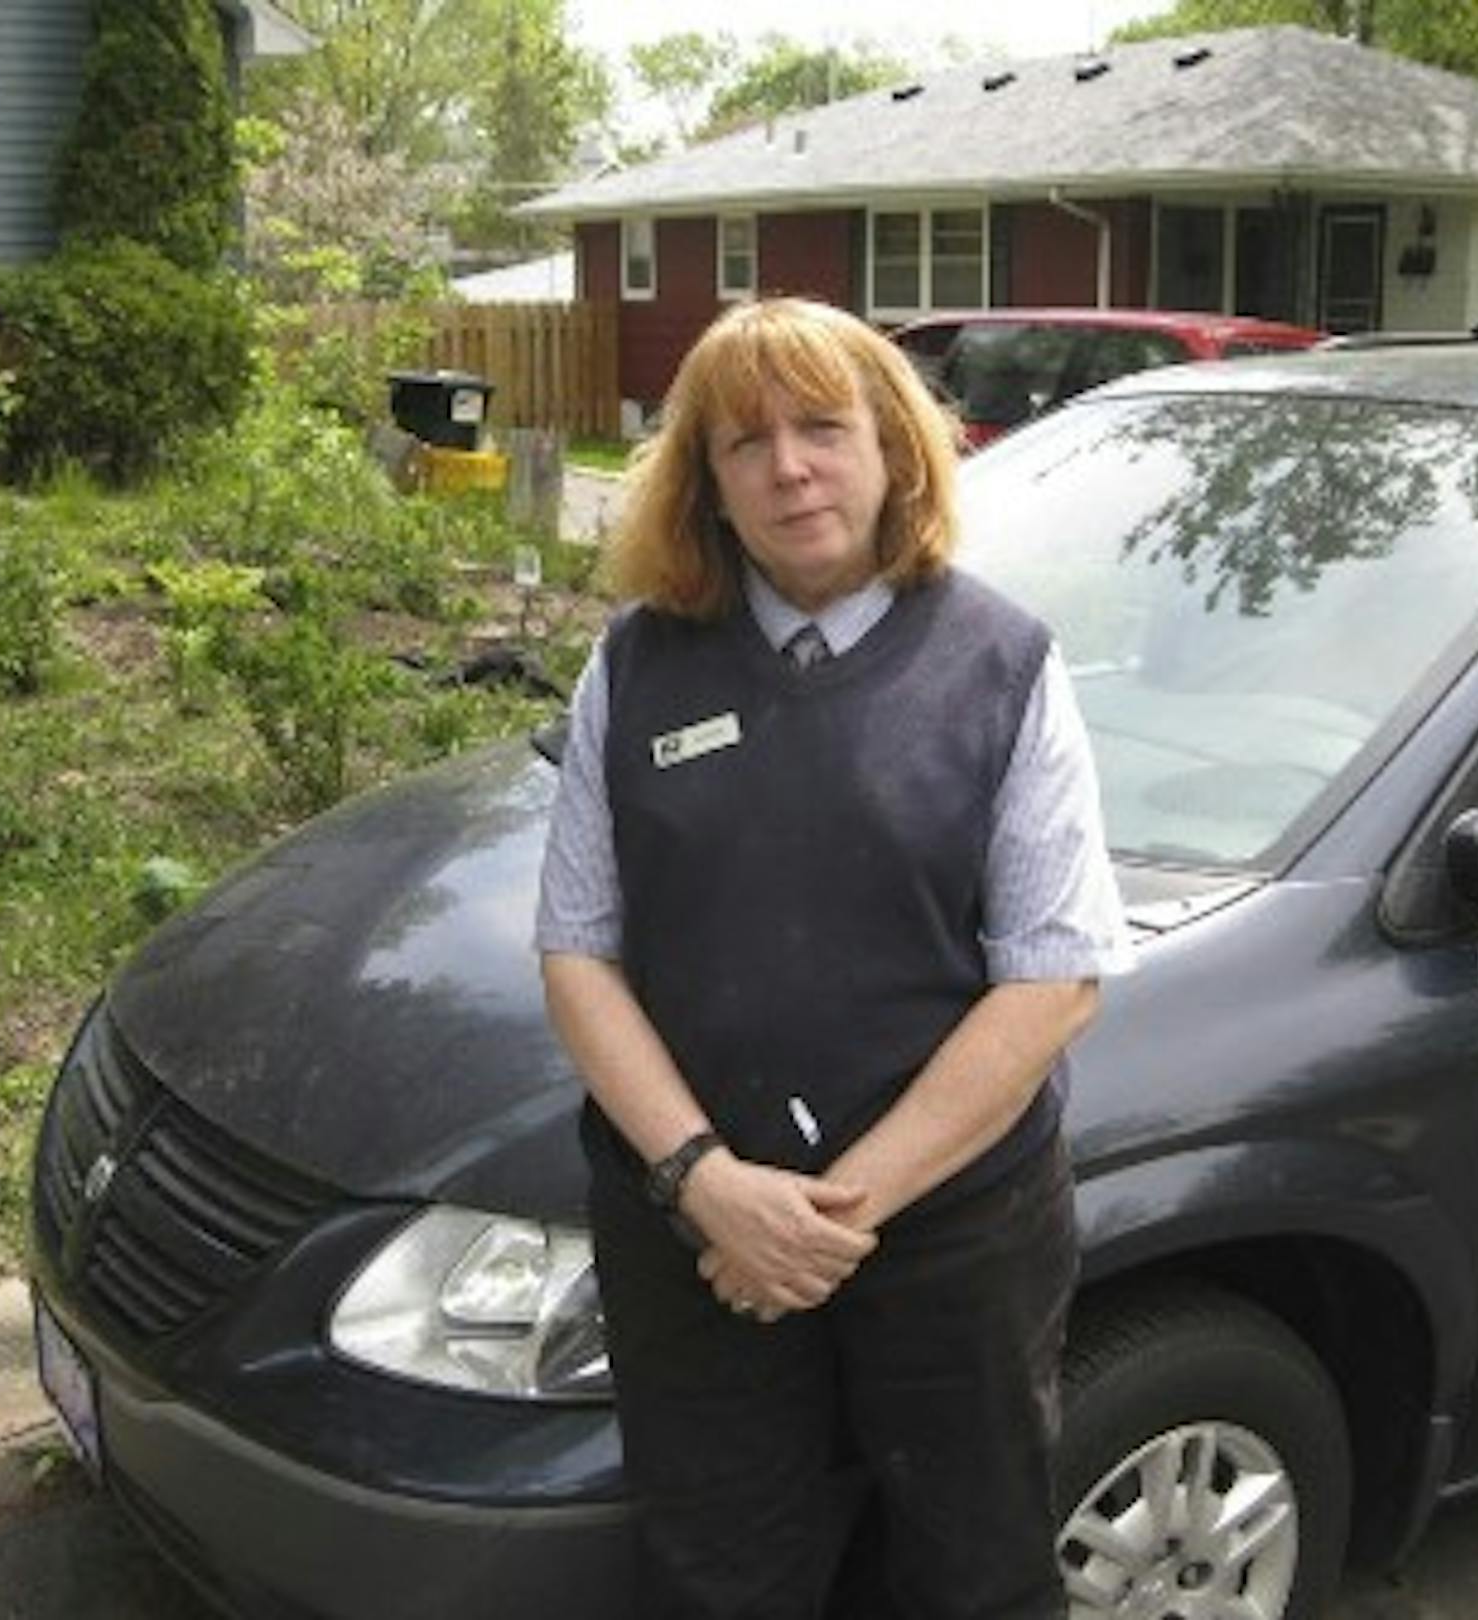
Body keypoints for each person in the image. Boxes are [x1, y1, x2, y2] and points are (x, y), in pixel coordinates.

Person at [535, 296, 1129, 1620]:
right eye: (746, 443)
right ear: (707, 483)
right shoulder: (634, 669)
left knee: (972, 1569)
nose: (790, 466)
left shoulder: (1004, 665)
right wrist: (704, 1185)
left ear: (894, 450)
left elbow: (1055, 975)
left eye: (822, 427)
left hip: (953, 1235)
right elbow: (578, 951)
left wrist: (830, 1216)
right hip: (695, 1235)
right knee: (718, 1574)